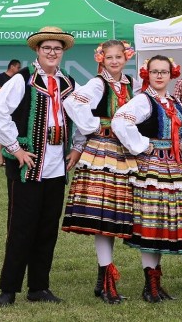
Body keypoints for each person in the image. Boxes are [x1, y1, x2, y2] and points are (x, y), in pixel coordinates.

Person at [0, 26, 76, 307]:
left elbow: (82, 115)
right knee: (21, 228)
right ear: (37, 50)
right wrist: (16, 148)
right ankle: (8, 289)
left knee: (48, 228)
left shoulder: (68, 83)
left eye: (57, 48)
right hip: (28, 166)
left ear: (63, 52)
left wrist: (77, 148)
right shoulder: (22, 79)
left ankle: (39, 287)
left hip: (56, 167)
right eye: (47, 48)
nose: (52, 52)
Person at [112, 55, 182, 304]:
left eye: (164, 72)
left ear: (172, 75)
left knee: (163, 226)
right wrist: (143, 145)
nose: (159, 76)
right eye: (155, 72)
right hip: (152, 170)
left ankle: (156, 284)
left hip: (175, 168)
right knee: (151, 226)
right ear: (147, 74)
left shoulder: (174, 102)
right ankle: (150, 285)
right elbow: (120, 120)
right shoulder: (142, 100)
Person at [60, 40, 139, 304]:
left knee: (113, 217)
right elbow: (73, 104)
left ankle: (101, 279)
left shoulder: (131, 84)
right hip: (102, 151)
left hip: (123, 152)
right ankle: (106, 282)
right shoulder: (97, 84)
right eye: (109, 57)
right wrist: (95, 124)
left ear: (126, 58)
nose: (114, 61)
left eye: (119, 57)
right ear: (101, 59)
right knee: (102, 216)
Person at [0, 59, 21, 166]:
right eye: (18, 67)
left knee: (12, 133)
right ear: (12, 66)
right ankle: (1, 159)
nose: (19, 70)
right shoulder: (0, 77)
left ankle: (10, 157)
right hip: (3, 110)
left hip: (15, 110)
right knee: (2, 133)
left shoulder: (17, 79)